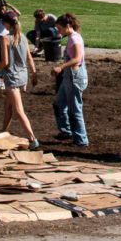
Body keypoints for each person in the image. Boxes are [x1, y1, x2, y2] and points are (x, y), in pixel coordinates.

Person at [0, 12, 40, 150]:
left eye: (3, 22)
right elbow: (29, 58)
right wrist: (34, 74)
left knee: (18, 110)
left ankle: (33, 139)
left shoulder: (5, 38)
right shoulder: (24, 37)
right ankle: (4, 131)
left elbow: (4, 62)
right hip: (22, 76)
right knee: (8, 106)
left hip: (12, 77)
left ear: (6, 23)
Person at [51, 13, 89, 147]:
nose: (58, 31)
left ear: (67, 26)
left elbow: (77, 59)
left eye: (59, 28)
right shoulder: (72, 37)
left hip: (75, 77)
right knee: (59, 104)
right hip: (69, 76)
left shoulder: (74, 39)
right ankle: (66, 131)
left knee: (75, 109)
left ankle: (81, 139)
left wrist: (61, 67)